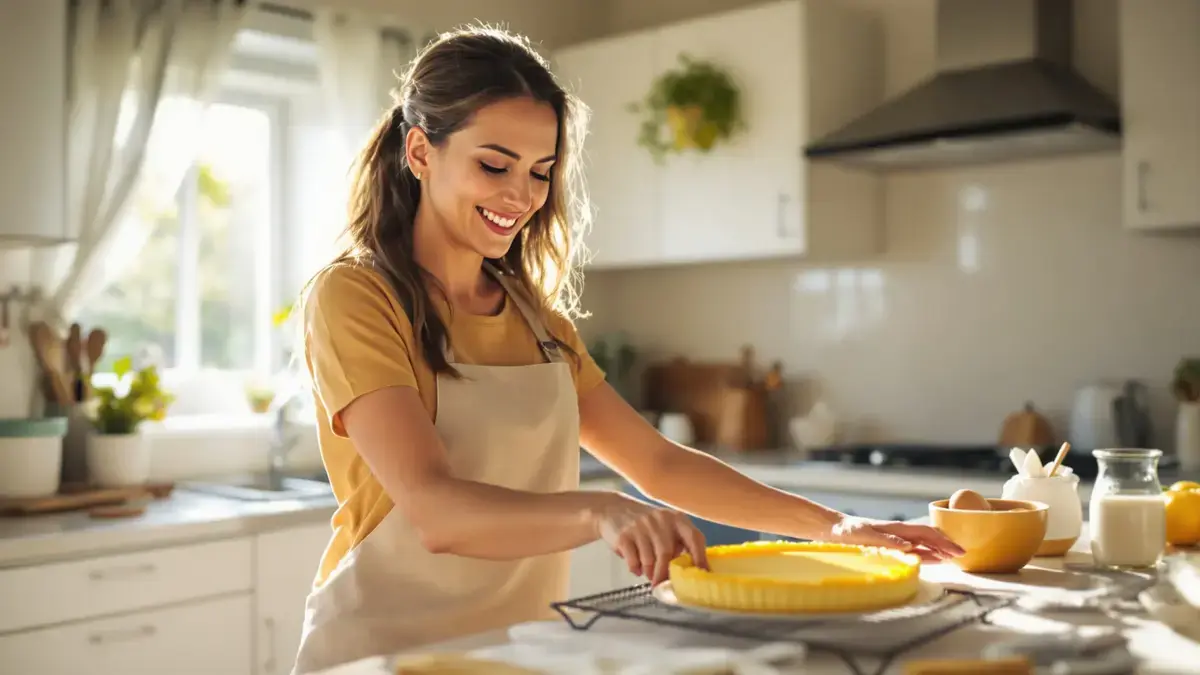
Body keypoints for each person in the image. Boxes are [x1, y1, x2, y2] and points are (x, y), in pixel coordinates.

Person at [291, 25, 964, 675]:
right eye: (494, 164)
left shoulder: (535, 316)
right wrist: (599, 508)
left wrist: (837, 525)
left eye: (541, 171)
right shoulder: (357, 298)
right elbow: (434, 507)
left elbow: (658, 462)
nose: (520, 196)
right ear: (419, 152)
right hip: (380, 654)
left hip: (516, 650)